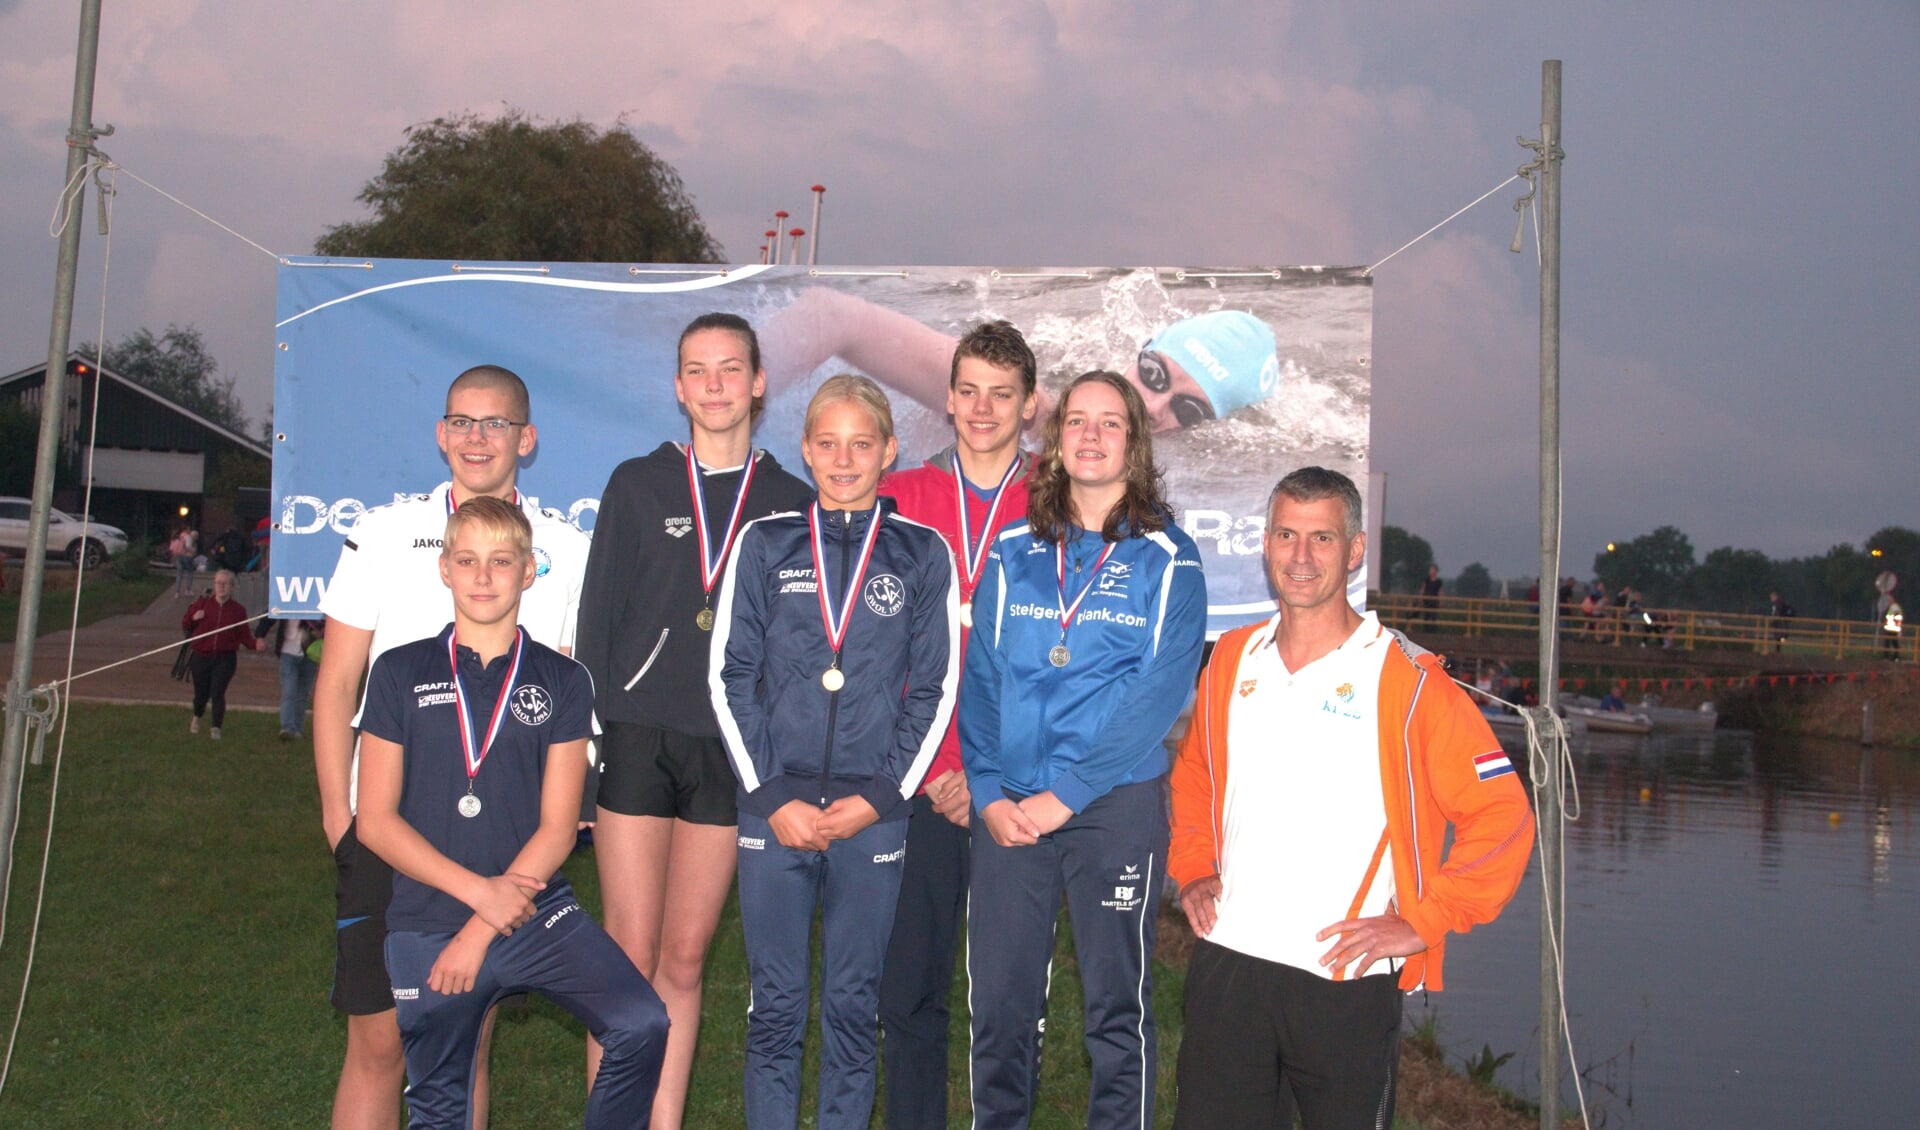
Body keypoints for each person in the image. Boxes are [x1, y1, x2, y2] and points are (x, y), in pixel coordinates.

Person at [1166, 467, 1535, 1129]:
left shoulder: (1408, 679)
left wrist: (1425, 919)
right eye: (1286, 535)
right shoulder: (1231, 659)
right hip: (1230, 961)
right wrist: (1194, 868)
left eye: (1322, 538)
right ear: (1266, 543)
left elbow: (1501, 814)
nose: (1301, 557)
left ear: (1355, 549)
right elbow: (1194, 774)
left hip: (1344, 978)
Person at [313, 364, 590, 1130]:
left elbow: (564, 697)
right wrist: (342, 816)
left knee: (465, 1037)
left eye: (495, 423)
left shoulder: (563, 548)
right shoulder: (383, 532)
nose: (477, 438)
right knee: (377, 1042)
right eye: (462, 422)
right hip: (388, 827)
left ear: (525, 439)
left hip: (499, 840)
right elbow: (337, 684)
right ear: (440, 434)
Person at [354, 496, 669, 1128]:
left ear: (530, 572)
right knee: (441, 1107)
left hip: (533, 911)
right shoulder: (397, 671)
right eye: (467, 560)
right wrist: (477, 901)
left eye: (502, 561)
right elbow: (376, 821)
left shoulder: (564, 679)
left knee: (642, 1022)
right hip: (428, 918)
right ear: (443, 568)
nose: (483, 577)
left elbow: (559, 827)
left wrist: (484, 927)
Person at [573, 312, 814, 1128]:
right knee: (627, 954)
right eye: (697, 371)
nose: (714, 386)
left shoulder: (789, 502)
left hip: (731, 752)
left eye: (730, 369)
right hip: (639, 739)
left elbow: (799, 641)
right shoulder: (636, 483)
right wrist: (586, 749)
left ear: (757, 383)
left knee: (683, 957)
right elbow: (596, 621)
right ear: (678, 388)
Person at [710, 374, 957, 1129]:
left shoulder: (921, 550)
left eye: (861, 443)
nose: (843, 459)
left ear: (889, 450)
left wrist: (883, 799)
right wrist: (772, 797)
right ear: (806, 451)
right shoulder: (765, 541)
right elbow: (729, 676)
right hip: (774, 807)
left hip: (872, 813)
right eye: (827, 443)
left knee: (854, 1006)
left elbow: (934, 688)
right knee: (774, 1007)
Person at [960, 370, 1206, 1129]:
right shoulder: (1010, 550)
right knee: (999, 1008)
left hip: (1111, 807)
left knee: (1114, 1012)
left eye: (1110, 424)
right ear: (1055, 439)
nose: (1091, 436)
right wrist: (988, 791)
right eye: (1077, 422)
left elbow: (1157, 697)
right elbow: (983, 676)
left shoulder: (1169, 558)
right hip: (1009, 811)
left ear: (1134, 444)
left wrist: (1066, 793)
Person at [874, 319, 1038, 1129]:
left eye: (1001, 394)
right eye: (969, 390)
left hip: (1014, 784)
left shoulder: (1055, 503)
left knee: (1008, 1001)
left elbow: (1062, 659)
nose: (982, 408)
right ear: (947, 397)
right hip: (922, 781)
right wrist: (939, 766)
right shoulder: (899, 499)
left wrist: (991, 771)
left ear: (1029, 405)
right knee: (911, 990)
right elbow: (877, 649)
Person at [761, 288, 1281, 435]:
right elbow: (829, 316)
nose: (1151, 404)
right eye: (1153, 374)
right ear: (1141, 348)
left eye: (1187, 410)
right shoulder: (1035, 409)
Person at [182, 568, 264, 738]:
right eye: (218, 583)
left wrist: (256, 643)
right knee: (201, 694)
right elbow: (186, 623)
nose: (221, 587)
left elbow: (244, 636)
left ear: (232, 587)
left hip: (225, 659)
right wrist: (194, 618)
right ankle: (197, 715)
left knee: (217, 692)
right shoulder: (202, 604)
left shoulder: (238, 610)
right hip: (201, 656)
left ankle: (216, 728)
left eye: (225, 584)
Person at [256, 616, 324, 740]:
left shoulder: (315, 603)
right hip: (287, 652)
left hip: (310, 653)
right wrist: (260, 635)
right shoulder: (287, 600)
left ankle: (297, 728)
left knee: (303, 693)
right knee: (289, 690)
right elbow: (271, 613)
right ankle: (287, 727)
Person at [170, 525, 198, 598]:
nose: (190, 530)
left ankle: (177, 592)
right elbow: (188, 546)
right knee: (190, 572)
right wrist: (193, 551)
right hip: (186, 557)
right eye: (189, 529)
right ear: (187, 529)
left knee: (179, 574)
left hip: (177, 557)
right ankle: (188, 590)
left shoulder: (179, 535)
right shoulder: (187, 537)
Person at [1420, 563, 1443, 628]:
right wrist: (1421, 598)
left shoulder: (1439, 581)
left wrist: (1441, 601)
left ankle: (1433, 630)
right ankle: (1426, 629)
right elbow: (1423, 589)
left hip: (1435, 601)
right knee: (1426, 615)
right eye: (1430, 570)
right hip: (1427, 600)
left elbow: (1440, 591)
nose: (1430, 571)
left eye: (1431, 570)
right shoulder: (1427, 580)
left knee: (1434, 616)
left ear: (1435, 571)